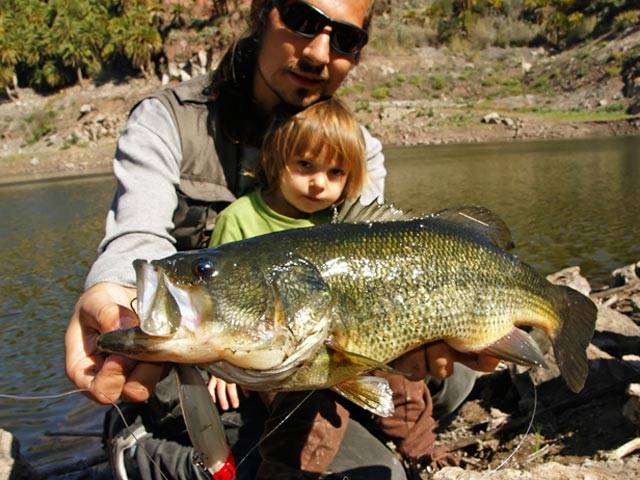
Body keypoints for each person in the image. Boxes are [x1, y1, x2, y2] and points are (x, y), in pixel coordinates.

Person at [64, 0, 499, 478]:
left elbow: (370, 253)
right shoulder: (165, 120)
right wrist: (112, 290)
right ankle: (143, 450)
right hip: (216, 374)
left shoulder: (358, 146)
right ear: (260, 16)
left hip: (308, 349)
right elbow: (137, 232)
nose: (318, 51)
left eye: (345, 39)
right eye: (302, 20)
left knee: (452, 375)